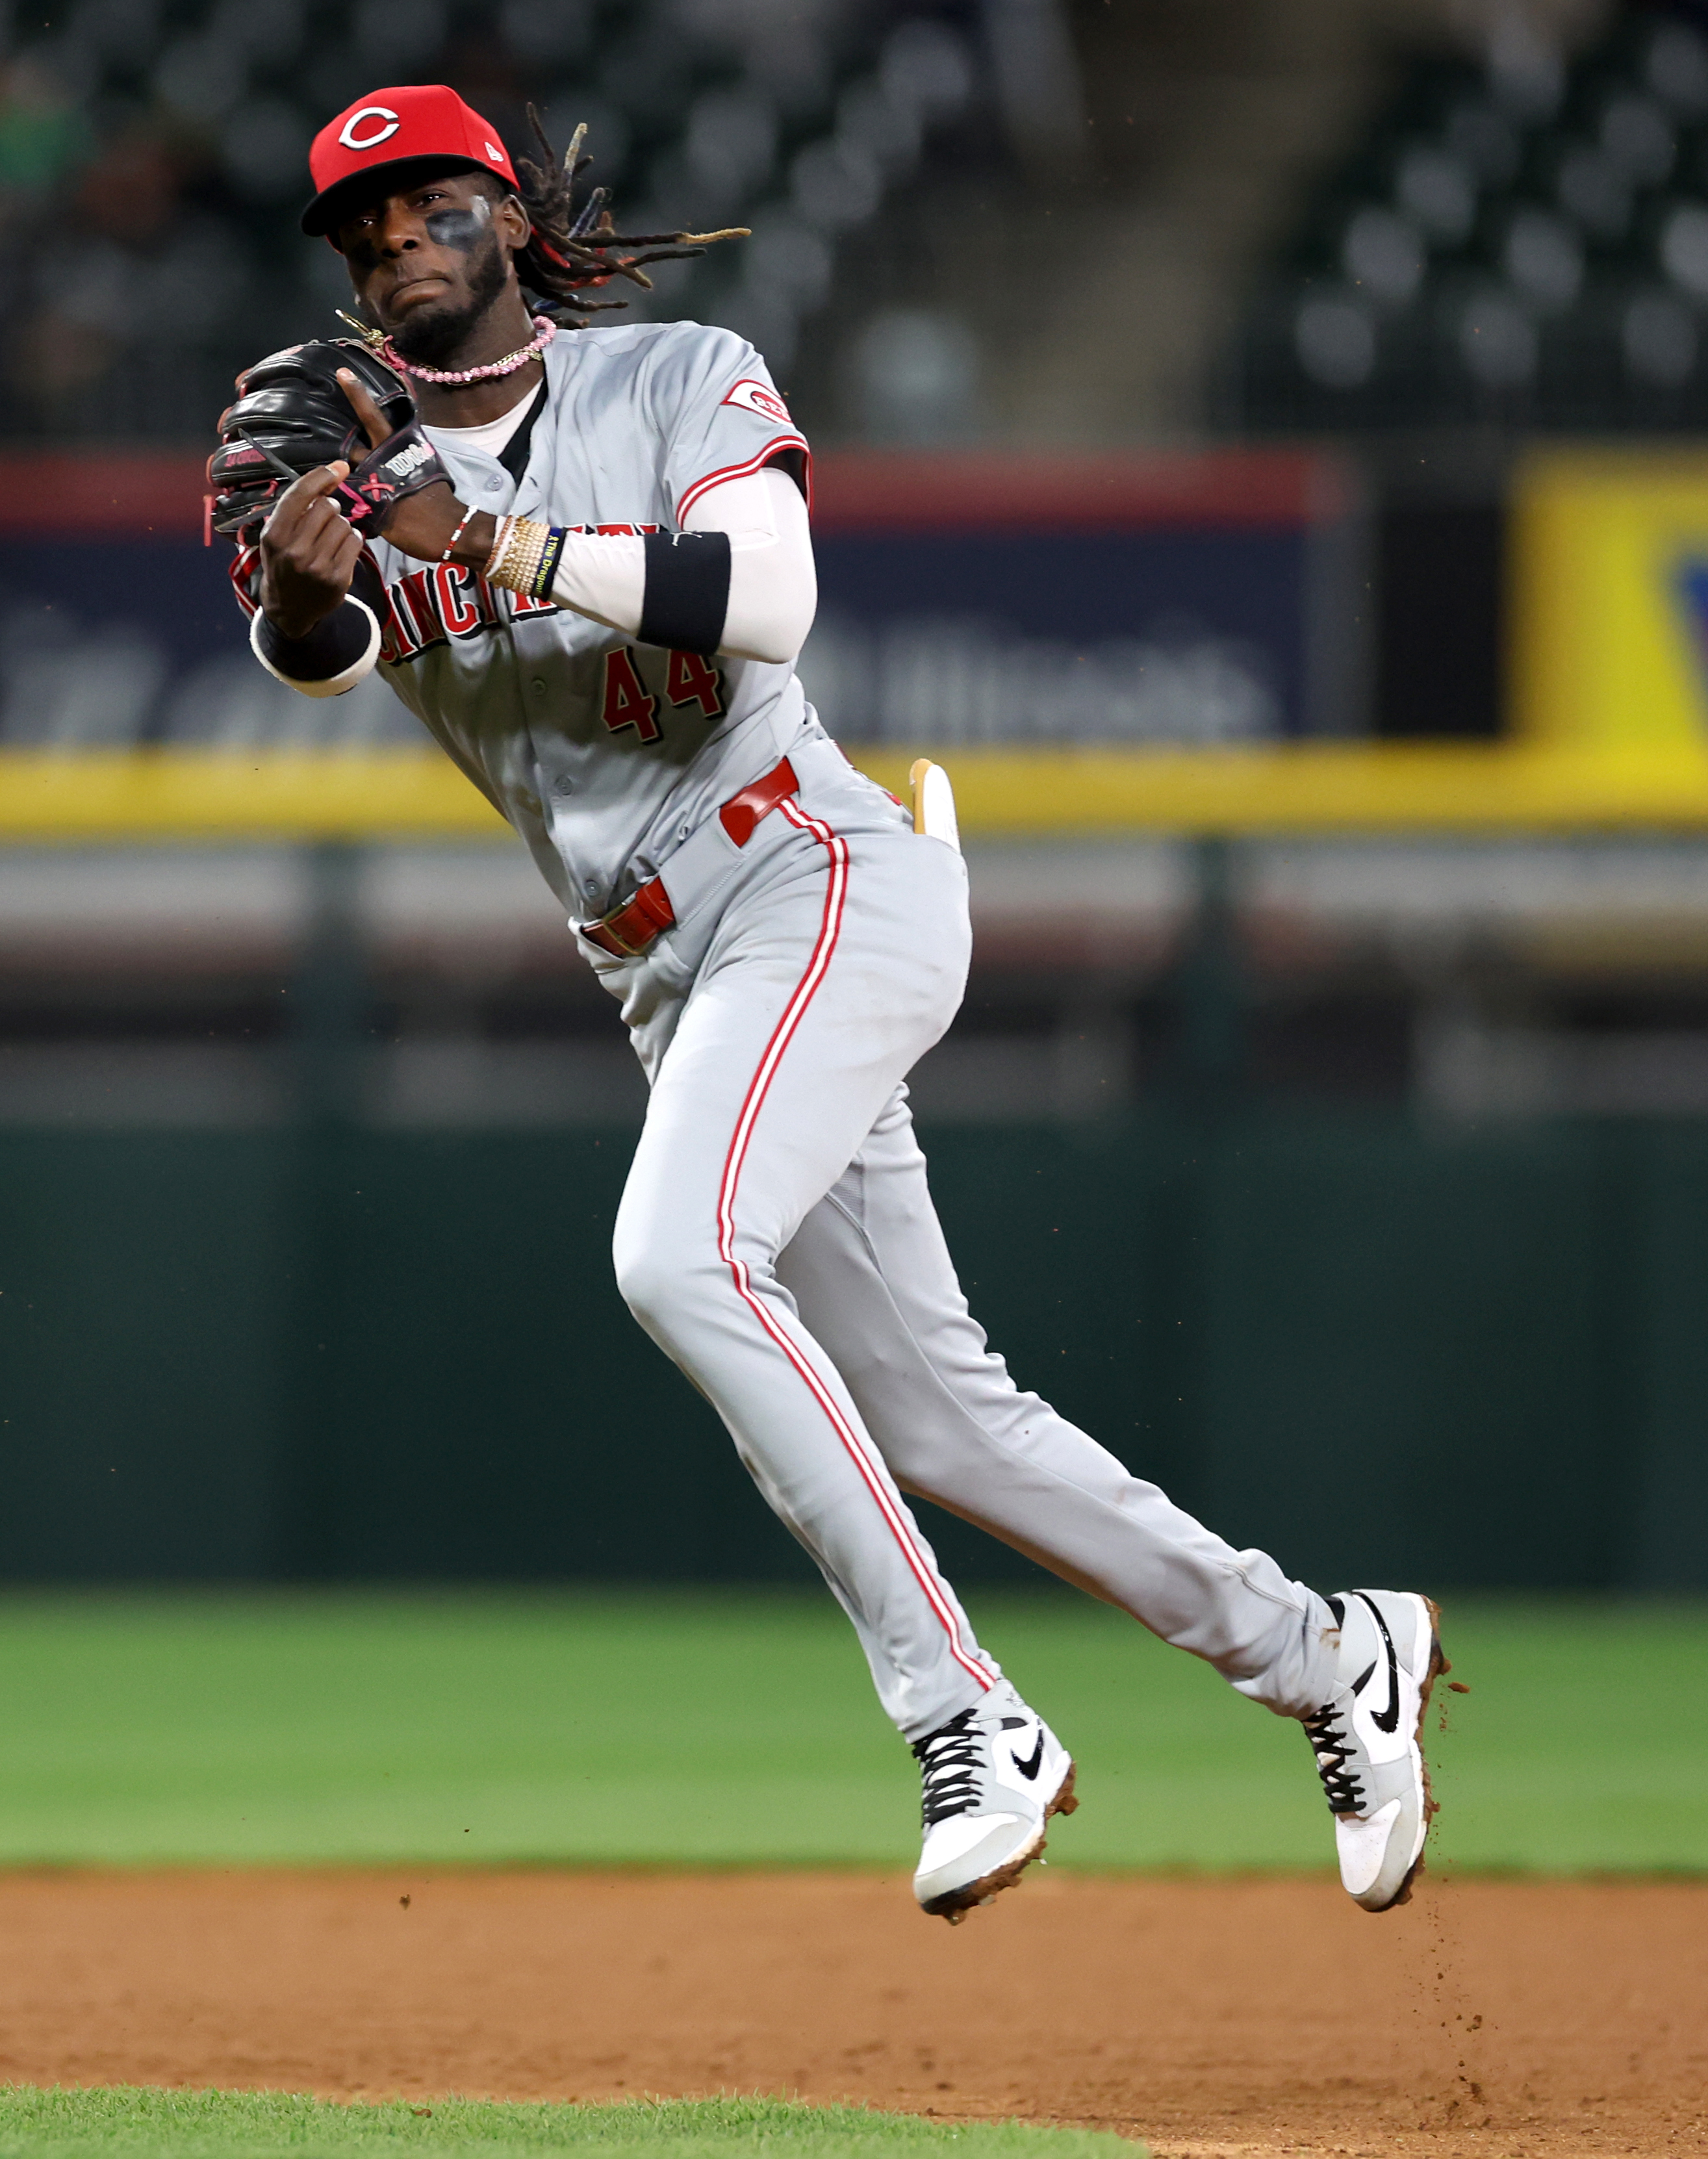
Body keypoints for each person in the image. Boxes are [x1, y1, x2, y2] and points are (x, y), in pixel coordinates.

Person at [219, 83, 1447, 1923]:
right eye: (358, 225)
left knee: (676, 1257)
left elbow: (766, 602)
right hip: (661, 964)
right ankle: (1323, 1648)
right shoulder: (382, 477)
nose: (393, 240)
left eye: (426, 204)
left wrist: (492, 543)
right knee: (944, 1419)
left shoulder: (673, 374)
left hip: (813, 871)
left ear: (503, 213)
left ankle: (964, 1717)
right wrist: (308, 577)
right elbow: (314, 658)